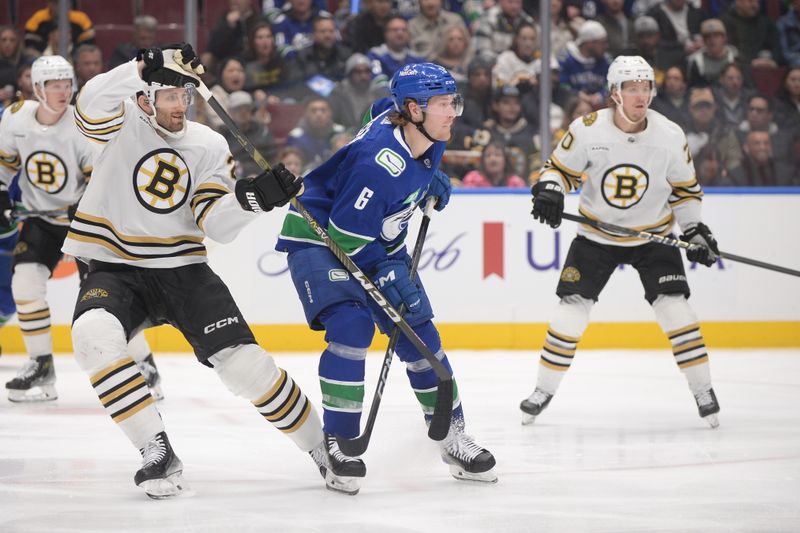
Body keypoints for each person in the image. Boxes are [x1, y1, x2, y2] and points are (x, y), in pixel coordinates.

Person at [63, 44, 342, 498]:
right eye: (169, 97)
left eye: (184, 98)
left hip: (184, 270)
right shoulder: (119, 123)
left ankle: (323, 448)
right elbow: (88, 102)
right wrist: (139, 67)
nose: (180, 107)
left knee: (246, 368)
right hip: (116, 267)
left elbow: (214, 222)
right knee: (92, 336)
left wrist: (252, 200)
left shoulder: (208, 144)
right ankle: (156, 449)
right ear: (145, 98)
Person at [275, 63, 497, 494]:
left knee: (420, 332)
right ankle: (338, 443)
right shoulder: (378, 166)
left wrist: (430, 176)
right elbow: (344, 237)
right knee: (351, 328)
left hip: (370, 237)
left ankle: (452, 438)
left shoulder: (419, 128)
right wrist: (387, 268)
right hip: (320, 238)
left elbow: (378, 107)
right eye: (443, 104)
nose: (454, 112)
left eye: (454, 101)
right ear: (414, 109)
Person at [520, 56, 722, 429]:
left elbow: (685, 190)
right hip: (596, 236)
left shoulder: (670, 135)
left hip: (654, 234)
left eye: (646, 86)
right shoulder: (588, 129)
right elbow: (557, 170)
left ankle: (703, 390)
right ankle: (542, 389)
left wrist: (693, 229)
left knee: (676, 311)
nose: (640, 94)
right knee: (570, 313)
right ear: (615, 93)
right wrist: (550, 190)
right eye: (631, 87)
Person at [0, 56, 92, 402]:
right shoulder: (15, 119)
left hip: (85, 223)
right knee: (24, 283)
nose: (63, 91)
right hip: (41, 220)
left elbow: (100, 176)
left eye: (67, 83)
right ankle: (41, 364)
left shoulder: (83, 124)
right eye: (54, 85)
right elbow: (4, 164)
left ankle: (144, 364)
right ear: (37, 89)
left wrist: (84, 205)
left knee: (103, 297)